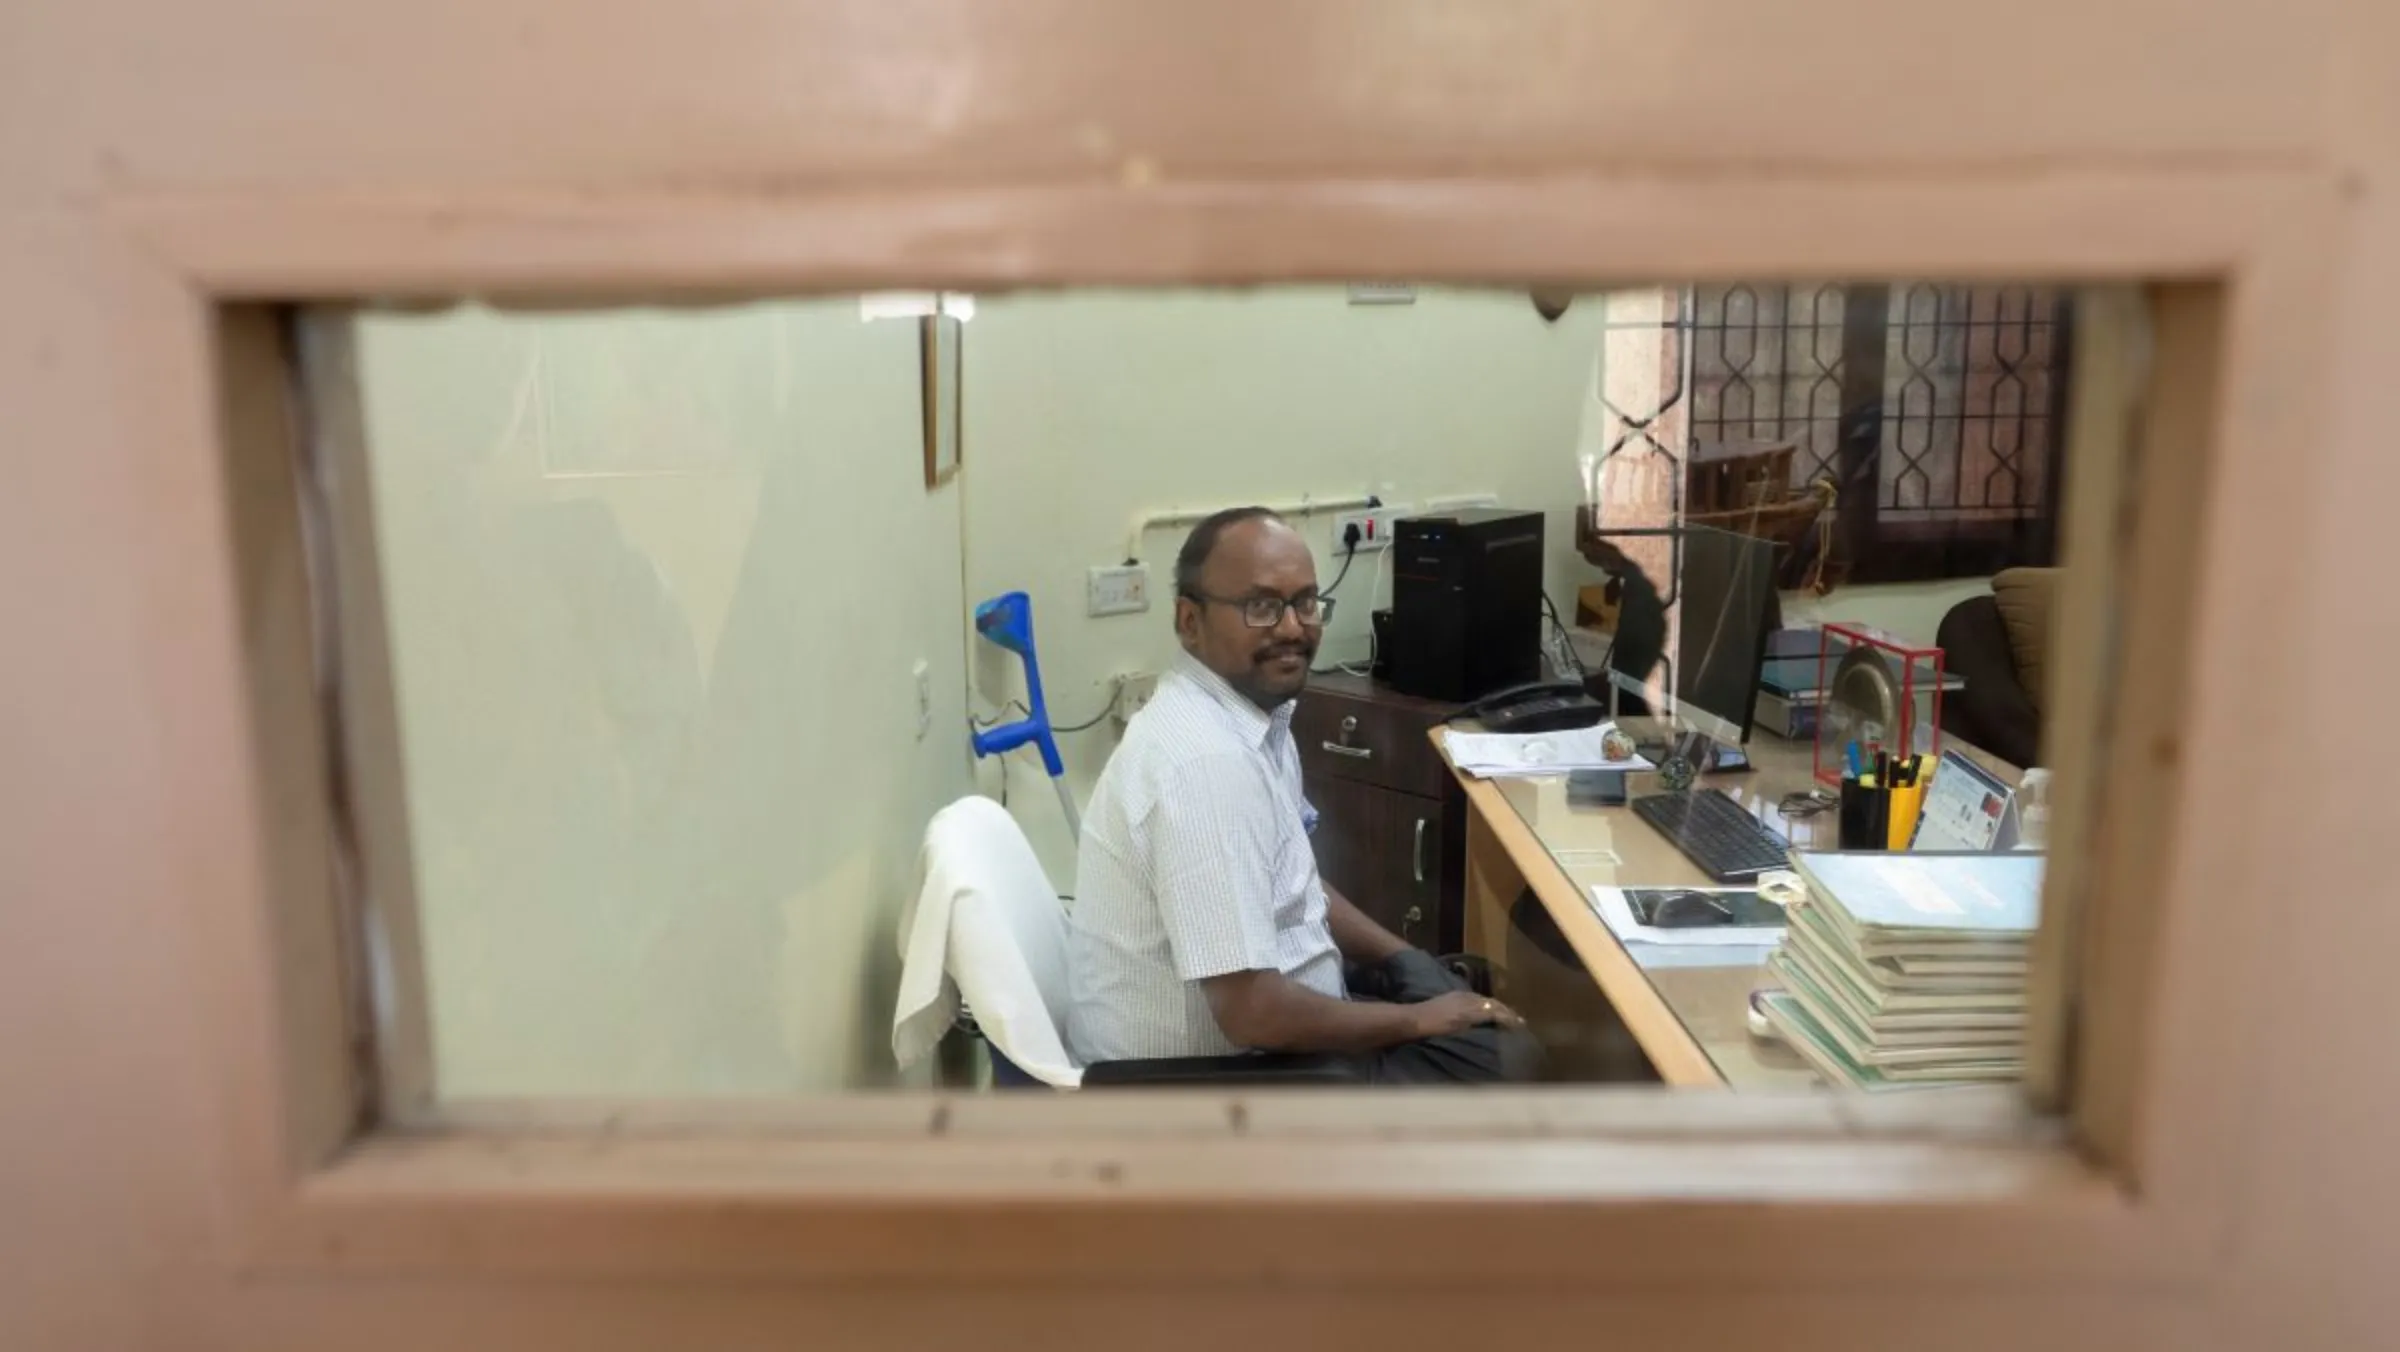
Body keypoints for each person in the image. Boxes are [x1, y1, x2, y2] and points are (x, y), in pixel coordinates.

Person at [1063, 507, 1542, 1083]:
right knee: (1511, 1066)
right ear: (1190, 621)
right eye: (1261, 607)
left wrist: (1402, 960)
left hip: (1275, 1042)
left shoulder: (1251, 719)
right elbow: (1251, 1014)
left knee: (1485, 1025)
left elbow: (1295, 884)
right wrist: (1416, 1022)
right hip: (1215, 1084)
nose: (1292, 627)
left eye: (1306, 602)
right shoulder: (1206, 766)